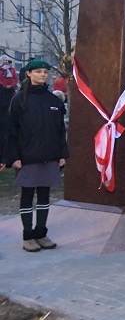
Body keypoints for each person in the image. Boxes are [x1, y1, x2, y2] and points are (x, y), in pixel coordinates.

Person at [5, 60, 68, 252]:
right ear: (29, 74)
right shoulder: (19, 100)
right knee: (27, 196)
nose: (42, 75)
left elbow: (60, 130)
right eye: (38, 71)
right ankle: (28, 237)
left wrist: (62, 154)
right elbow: (11, 131)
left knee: (44, 195)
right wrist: (13, 156)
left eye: (45, 72)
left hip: (49, 156)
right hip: (27, 157)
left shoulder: (54, 101)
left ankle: (41, 233)